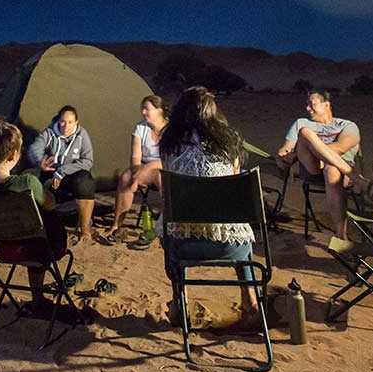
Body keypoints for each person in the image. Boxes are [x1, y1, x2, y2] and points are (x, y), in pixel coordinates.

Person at [159, 87, 258, 327]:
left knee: (168, 227)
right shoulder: (230, 143)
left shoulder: (170, 147)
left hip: (184, 249)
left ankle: (179, 303)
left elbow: (166, 195)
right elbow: (233, 187)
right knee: (240, 229)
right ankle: (250, 299)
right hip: (231, 248)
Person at [0, 117, 71, 315]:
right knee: (43, 222)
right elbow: (50, 205)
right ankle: (38, 299)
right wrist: (45, 189)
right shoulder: (26, 183)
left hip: (3, 249)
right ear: (14, 155)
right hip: (41, 250)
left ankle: (37, 299)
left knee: (31, 229)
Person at [275, 89, 371, 239]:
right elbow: (284, 152)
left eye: (311, 104)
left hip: (338, 175)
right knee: (305, 132)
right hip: (312, 169)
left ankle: (341, 236)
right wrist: (285, 156)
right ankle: (357, 178)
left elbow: (340, 148)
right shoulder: (301, 123)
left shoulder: (348, 125)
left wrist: (306, 150)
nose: (307, 108)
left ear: (326, 105)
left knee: (331, 169)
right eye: (307, 105)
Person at [25, 104, 95, 244]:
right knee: (31, 179)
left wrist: (62, 172)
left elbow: (87, 161)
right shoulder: (49, 132)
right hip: (51, 171)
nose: (65, 126)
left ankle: (85, 229)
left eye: (70, 122)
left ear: (76, 122)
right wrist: (41, 162)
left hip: (71, 173)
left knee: (85, 182)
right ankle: (37, 226)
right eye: (62, 121)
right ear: (58, 121)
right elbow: (34, 149)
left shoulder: (82, 135)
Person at [106, 94, 167, 241]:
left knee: (161, 178)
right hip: (143, 166)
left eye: (147, 109)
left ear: (159, 111)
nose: (143, 112)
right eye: (142, 109)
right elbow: (135, 159)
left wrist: (137, 178)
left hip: (163, 166)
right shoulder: (140, 128)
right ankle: (117, 225)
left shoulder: (170, 130)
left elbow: (167, 160)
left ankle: (166, 226)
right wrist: (136, 175)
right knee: (125, 177)